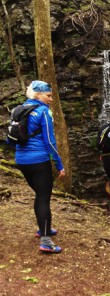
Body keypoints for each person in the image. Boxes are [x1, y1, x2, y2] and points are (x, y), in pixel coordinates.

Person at [9, 80, 65, 254]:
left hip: (21, 160)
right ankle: (46, 240)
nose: (50, 99)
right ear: (38, 95)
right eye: (48, 96)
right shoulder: (43, 112)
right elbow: (49, 141)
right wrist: (58, 163)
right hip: (39, 160)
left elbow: (12, 137)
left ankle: (43, 228)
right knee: (43, 197)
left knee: (40, 195)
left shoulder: (17, 110)